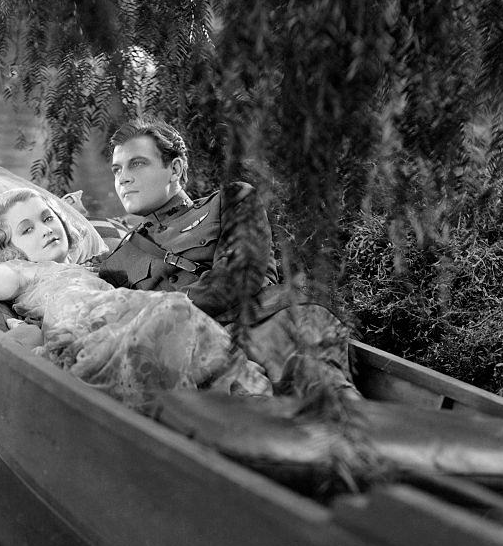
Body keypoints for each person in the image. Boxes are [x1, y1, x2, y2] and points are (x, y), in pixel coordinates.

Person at [0, 188, 272, 411]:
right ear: (13, 247)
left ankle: (247, 410)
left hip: (133, 312)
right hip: (92, 329)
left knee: (185, 322)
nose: (45, 230)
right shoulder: (18, 272)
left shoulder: (98, 259)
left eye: (47, 217)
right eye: (28, 229)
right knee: (170, 319)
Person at [98, 116, 358, 398]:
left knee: (335, 403)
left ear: (174, 169)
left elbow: (239, 276)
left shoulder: (232, 200)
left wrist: (168, 312)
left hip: (272, 329)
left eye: (137, 163)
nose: (123, 177)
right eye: (117, 169)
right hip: (196, 365)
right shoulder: (116, 263)